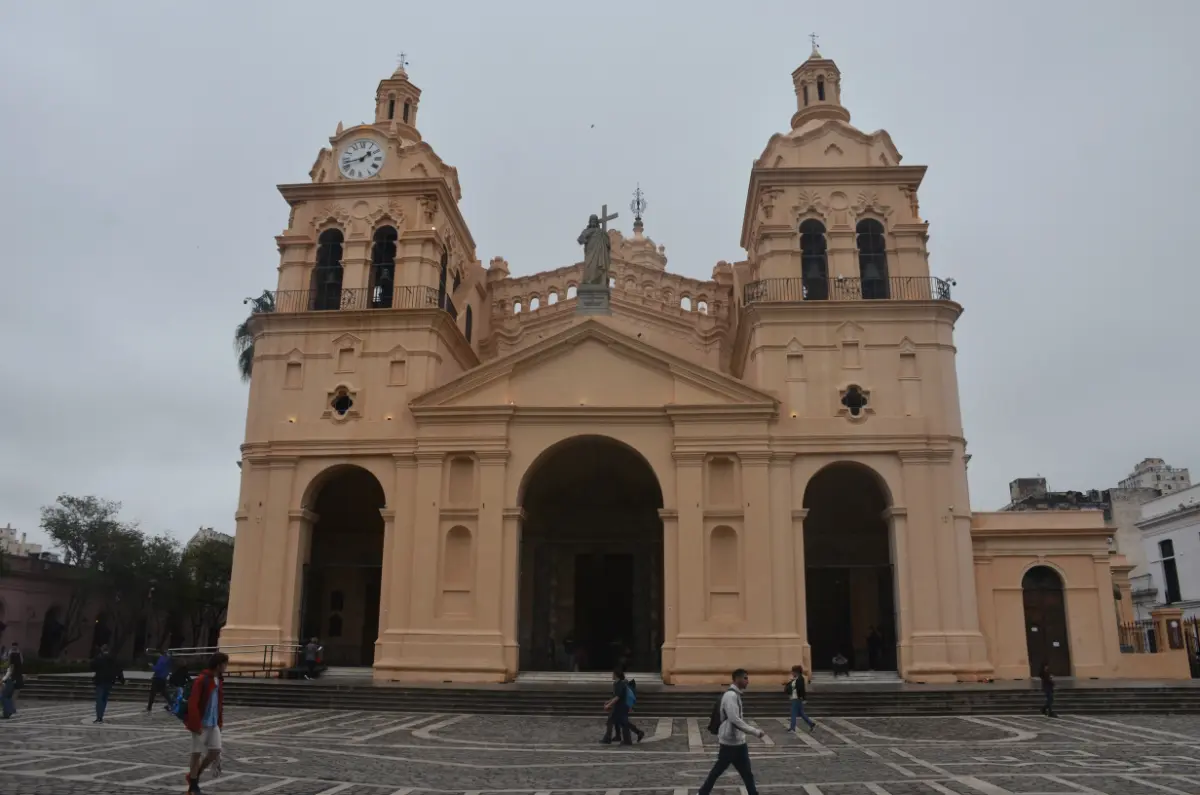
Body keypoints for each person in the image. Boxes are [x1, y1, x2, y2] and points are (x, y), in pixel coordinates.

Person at [698, 668, 764, 795]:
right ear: (737, 679)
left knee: (746, 773)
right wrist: (755, 731)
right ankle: (702, 793)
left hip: (738, 742)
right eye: (745, 678)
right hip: (730, 743)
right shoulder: (731, 696)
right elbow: (734, 719)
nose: (748, 681)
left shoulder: (736, 695)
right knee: (717, 771)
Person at [185, 652, 228, 794]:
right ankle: (193, 786)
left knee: (215, 751)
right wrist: (195, 724)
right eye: (225, 664)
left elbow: (218, 703)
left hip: (213, 722)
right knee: (196, 753)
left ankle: (194, 776)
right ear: (218, 665)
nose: (226, 667)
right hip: (201, 722)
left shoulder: (219, 680)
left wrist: (219, 722)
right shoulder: (202, 680)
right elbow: (193, 703)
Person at [601, 670, 644, 745]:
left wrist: (609, 705)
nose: (612, 675)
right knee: (623, 722)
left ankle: (610, 739)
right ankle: (636, 734)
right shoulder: (617, 683)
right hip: (620, 706)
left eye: (613, 674)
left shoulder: (620, 684)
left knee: (616, 722)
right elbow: (616, 696)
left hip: (621, 707)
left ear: (616, 675)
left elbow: (617, 697)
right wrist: (609, 701)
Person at [90, 644, 125, 723]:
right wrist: (122, 680)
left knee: (99, 699)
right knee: (104, 698)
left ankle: (99, 717)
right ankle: (101, 715)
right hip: (110, 681)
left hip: (100, 680)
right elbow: (119, 670)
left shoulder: (99, 658)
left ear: (102, 650)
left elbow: (92, 666)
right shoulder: (113, 659)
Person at [786, 665, 815, 733]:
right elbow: (793, 688)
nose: (792, 672)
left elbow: (802, 689)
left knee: (793, 713)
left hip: (797, 698)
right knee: (801, 713)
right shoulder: (795, 678)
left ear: (796, 672)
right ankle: (811, 724)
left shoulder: (801, 679)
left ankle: (792, 728)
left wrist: (804, 698)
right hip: (794, 697)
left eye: (793, 671)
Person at [1, 642, 23, 719]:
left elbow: (10, 672)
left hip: (12, 680)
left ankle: (8, 711)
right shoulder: (16, 660)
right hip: (15, 680)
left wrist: (3, 680)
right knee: (8, 696)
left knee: (5, 696)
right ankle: (9, 711)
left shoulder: (13, 664)